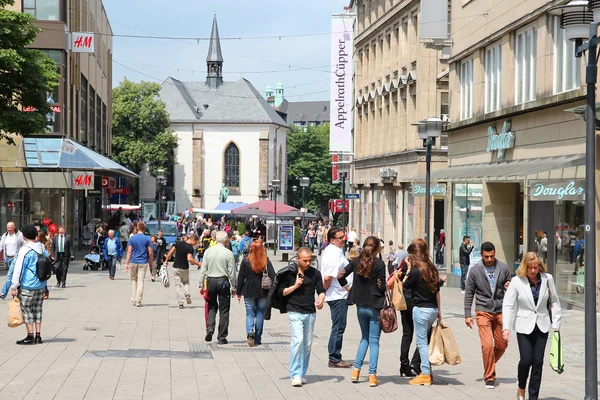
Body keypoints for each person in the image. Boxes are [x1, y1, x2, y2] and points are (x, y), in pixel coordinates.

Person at [502, 252, 562, 400]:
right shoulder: (517, 281)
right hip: (523, 325)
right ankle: (521, 387)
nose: (534, 271)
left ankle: (533, 396)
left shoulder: (547, 279)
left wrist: (556, 323)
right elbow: (508, 305)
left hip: (542, 324)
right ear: (525, 267)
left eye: (536, 267)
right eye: (530, 268)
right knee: (526, 360)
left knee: (538, 362)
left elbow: (554, 301)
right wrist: (506, 327)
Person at [338, 236, 386, 387]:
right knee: (374, 341)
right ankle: (372, 375)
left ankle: (356, 371)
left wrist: (348, 288)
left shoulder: (356, 261)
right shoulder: (379, 264)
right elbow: (382, 287)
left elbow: (340, 275)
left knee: (364, 338)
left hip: (360, 305)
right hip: (375, 305)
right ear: (377, 248)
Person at [464, 241, 512, 389]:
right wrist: (467, 314)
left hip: (500, 310)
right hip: (482, 310)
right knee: (487, 345)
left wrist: (508, 284)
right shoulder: (475, 270)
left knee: (502, 344)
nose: (489, 259)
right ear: (481, 255)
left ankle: (489, 363)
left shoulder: (503, 267)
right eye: (486, 256)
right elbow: (469, 293)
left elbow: (509, 282)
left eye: (492, 256)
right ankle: (489, 377)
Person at [278, 247, 326, 386]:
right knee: (298, 341)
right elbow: (281, 292)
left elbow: (321, 290)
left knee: (308, 345)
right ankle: (295, 374)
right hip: (294, 311)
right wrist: (295, 286)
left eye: (310, 260)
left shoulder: (315, 273)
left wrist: (321, 299)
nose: (307, 263)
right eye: (305, 260)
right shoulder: (289, 274)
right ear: (297, 259)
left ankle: (302, 372)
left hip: (310, 312)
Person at [403, 240, 442, 386]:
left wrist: (408, 269)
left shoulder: (415, 270)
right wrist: (439, 310)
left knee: (422, 343)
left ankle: (425, 373)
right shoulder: (432, 268)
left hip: (421, 309)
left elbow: (405, 285)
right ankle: (428, 372)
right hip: (432, 309)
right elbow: (437, 290)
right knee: (426, 341)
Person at [10, 224, 48, 345]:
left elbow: (18, 269)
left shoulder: (25, 250)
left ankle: (30, 336)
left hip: (28, 285)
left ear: (24, 235)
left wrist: (14, 286)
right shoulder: (42, 248)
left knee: (27, 311)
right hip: (41, 285)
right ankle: (38, 336)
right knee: (38, 310)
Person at [321, 227, 352, 368]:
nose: (343, 239)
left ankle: (334, 356)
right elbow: (328, 276)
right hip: (337, 295)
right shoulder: (333, 253)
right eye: (340, 238)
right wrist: (323, 292)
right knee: (338, 326)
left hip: (338, 294)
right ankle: (334, 357)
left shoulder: (334, 251)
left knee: (339, 325)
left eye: (343, 236)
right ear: (332, 240)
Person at [199, 231, 236, 344]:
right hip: (223, 281)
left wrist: (201, 284)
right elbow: (232, 272)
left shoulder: (208, 251)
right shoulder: (228, 253)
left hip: (210, 281)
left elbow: (203, 269)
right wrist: (234, 286)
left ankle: (210, 328)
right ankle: (222, 337)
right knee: (224, 310)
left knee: (211, 306)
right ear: (225, 241)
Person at [236, 239, 275, 347]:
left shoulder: (245, 261)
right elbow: (274, 276)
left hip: (248, 290)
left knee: (250, 313)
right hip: (263, 290)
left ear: (251, 249)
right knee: (260, 313)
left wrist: (238, 291)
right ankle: (257, 338)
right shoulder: (266, 261)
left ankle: (250, 332)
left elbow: (241, 278)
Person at [165, 234, 201, 309]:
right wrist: (198, 264)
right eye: (196, 242)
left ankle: (180, 302)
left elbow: (171, 252)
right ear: (193, 240)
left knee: (177, 285)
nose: (195, 244)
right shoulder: (190, 248)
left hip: (175, 267)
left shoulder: (178, 243)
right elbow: (189, 259)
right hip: (184, 268)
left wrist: (166, 260)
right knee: (186, 282)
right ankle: (187, 293)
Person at [125, 222, 154, 307]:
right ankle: (138, 300)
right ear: (144, 229)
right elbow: (151, 252)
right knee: (141, 281)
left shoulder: (132, 238)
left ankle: (133, 299)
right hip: (143, 262)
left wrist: (127, 262)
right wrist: (151, 263)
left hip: (133, 261)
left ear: (137, 228)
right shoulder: (147, 239)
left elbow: (129, 251)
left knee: (134, 280)